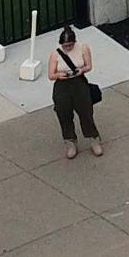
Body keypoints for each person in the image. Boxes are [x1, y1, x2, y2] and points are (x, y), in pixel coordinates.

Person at [48, 25, 102, 158]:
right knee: (64, 113)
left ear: (74, 42)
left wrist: (81, 70)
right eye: (65, 46)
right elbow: (51, 75)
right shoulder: (55, 54)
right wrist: (59, 75)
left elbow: (89, 66)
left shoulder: (83, 48)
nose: (67, 48)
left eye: (70, 45)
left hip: (79, 83)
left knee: (86, 112)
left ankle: (93, 138)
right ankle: (70, 141)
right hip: (62, 85)